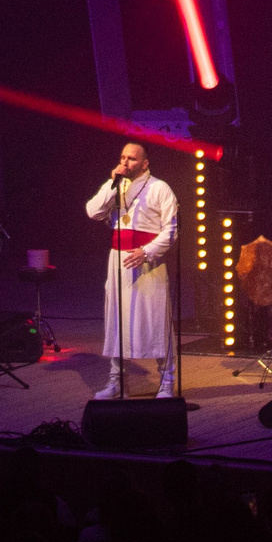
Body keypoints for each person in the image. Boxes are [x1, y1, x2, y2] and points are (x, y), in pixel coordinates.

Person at [85, 142, 178, 399]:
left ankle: (167, 382)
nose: (125, 163)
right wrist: (111, 183)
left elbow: (170, 231)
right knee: (118, 320)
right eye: (123, 157)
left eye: (132, 159)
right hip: (118, 262)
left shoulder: (160, 188)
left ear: (145, 163)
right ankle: (116, 382)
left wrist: (146, 252)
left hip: (148, 263)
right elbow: (93, 212)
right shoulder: (117, 185)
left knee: (156, 320)